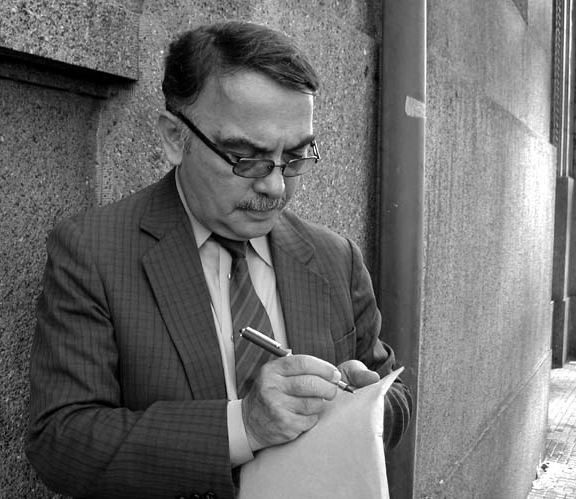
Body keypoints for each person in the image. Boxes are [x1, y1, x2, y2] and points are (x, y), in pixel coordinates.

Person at [25, 20, 412, 499]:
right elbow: (61, 441)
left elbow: (395, 394)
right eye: (245, 158)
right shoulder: (94, 251)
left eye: (295, 156)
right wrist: (243, 426)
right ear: (175, 137)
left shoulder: (336, 257)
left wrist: (363, 409)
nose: (275, 186)